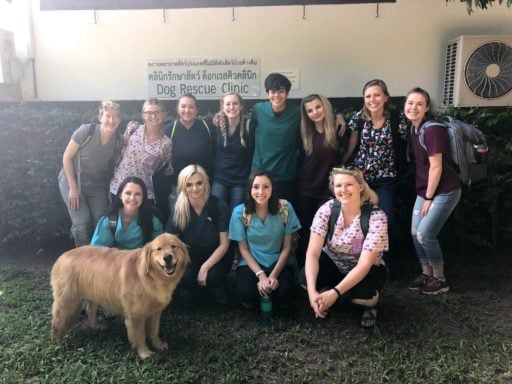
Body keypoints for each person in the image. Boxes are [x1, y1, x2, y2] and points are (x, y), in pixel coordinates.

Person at [301, 167, 388, 328]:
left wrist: (336, 293)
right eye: (338, 185)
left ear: (360, 186)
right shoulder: (327, 209)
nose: (343, 190)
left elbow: (364, 265)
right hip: (334, 261)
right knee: (305, 280)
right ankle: (323, 294)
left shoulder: (377, 217)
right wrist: (312, 292)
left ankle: (371, 305)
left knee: (361, 295)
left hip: (365, 269)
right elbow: (312, 253)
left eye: (349, 185)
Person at [341, 79, 408, 272]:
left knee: (385, 219)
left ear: (386, 97)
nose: (373, 100)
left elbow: (408, 143)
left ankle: (381, 262)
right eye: (368, 96)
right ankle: (356, 262)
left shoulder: (397, 120)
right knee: (357, 221)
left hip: (385, 180)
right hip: (360, 181)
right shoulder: (359, 119)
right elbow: (352, 147)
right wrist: (341, 166)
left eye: (377, 95)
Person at [404, 87, 462, 295]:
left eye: (420, 104)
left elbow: (436, 167)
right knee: (414, 233)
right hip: (425, 190)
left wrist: (429, 198)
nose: (414, 107)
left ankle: (440, 278)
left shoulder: (433, 130)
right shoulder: (415, 127)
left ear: (427, 107)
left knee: (425, 233)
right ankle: (426, 273)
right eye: (410, 103)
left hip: (444, 190)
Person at [229, 169, 301, 309]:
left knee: (285, 296)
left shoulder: (285, 209)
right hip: (252, 263)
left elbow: (287, 247)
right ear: (250, 188)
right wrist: (261, 275)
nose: (261, 192)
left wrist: (273, 275)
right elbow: (243, 249)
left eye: (266, 186)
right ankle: (262, 291)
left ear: (272, 188)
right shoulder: (240, 212)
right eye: (256, 187)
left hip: (279, 262)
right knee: (247, 295)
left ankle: (271, 291)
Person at [58, 99, 123, 247]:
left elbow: (114, 164)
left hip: (96, 183)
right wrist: (73, 188)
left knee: (101, 221)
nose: (111, 120)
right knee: (82, 222)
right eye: (107, 116)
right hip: (72, 180)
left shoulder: (118, 140)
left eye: (115, 117)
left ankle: (98, 259)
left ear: (119, 120)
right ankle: (82, 260)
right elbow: (66, 157)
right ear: (100, 117)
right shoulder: (86, 131)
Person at [165, 164, 232, 304]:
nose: (194, 188)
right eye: (189, 185)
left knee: (213, 277)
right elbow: (171, 242)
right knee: (185, 277)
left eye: (199, 183)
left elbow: (224, 244)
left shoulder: (218, 206)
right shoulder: (179, 208)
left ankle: (217, 288)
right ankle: (188, 288)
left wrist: (204, 267)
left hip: (216, 252)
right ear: (183, 186)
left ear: (206, 182)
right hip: (191, 254)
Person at [296, 94, 346, 268]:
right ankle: (305, 268)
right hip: (306, 188)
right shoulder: (303, 132)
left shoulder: (338, 128)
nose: (315, 112)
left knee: (326, 229)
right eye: (309, 110)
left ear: (325, 106)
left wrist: (339, 115)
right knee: (307, 228)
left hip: (327, 189)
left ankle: (325, 267)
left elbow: (344, 156)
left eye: (318, 107)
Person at [109, 99, 172, 220]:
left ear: (164, 114)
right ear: (143, 115)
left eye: (158, 112)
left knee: (142, 228)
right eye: (149, 112)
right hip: (119, 187)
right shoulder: (132, 129)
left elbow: (166, 170)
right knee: (116, 224)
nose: (153, 116)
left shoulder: (166, 143)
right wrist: (112, 171)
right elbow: (118, 151)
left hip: (144, 193)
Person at [249, 73, 301, 204]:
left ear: (287, 93)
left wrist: (339, 116)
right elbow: (249, 132)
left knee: (284, 213)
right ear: (267, 93)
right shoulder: (258, 109)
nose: (276, 95)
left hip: (285, 173)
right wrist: (219, 116)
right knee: (260, 210)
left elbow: (318, 116)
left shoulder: (297, 112)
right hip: (260, 172)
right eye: (272, 91)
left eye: (281, 91)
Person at [91, 176, 163, 249]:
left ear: (143, 197)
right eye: (128, 193)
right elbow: (96, 251)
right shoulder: (109, 220)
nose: (132, 198)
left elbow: (160, 250)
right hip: (115, 259)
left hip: (142, 259)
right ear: (120, 195)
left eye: (138, 194)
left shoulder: (153, 220)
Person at [165, 93, 216, 191]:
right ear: (177, 109)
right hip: (178, 186)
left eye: (191, 107)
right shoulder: (169, 130)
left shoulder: (207, 127)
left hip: (203, 186)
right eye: (183, 106)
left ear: (197, 110)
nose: (187, 110)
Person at [211, 92, 252, 212]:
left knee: (237, 215)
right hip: (220, 178)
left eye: (235, 103)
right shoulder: (216, 126)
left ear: (241, 106)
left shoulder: (249, 127)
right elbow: (212, 150)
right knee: (216, 212)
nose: (232, 107)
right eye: (228, 104)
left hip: (240, 181)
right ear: (222, 107)